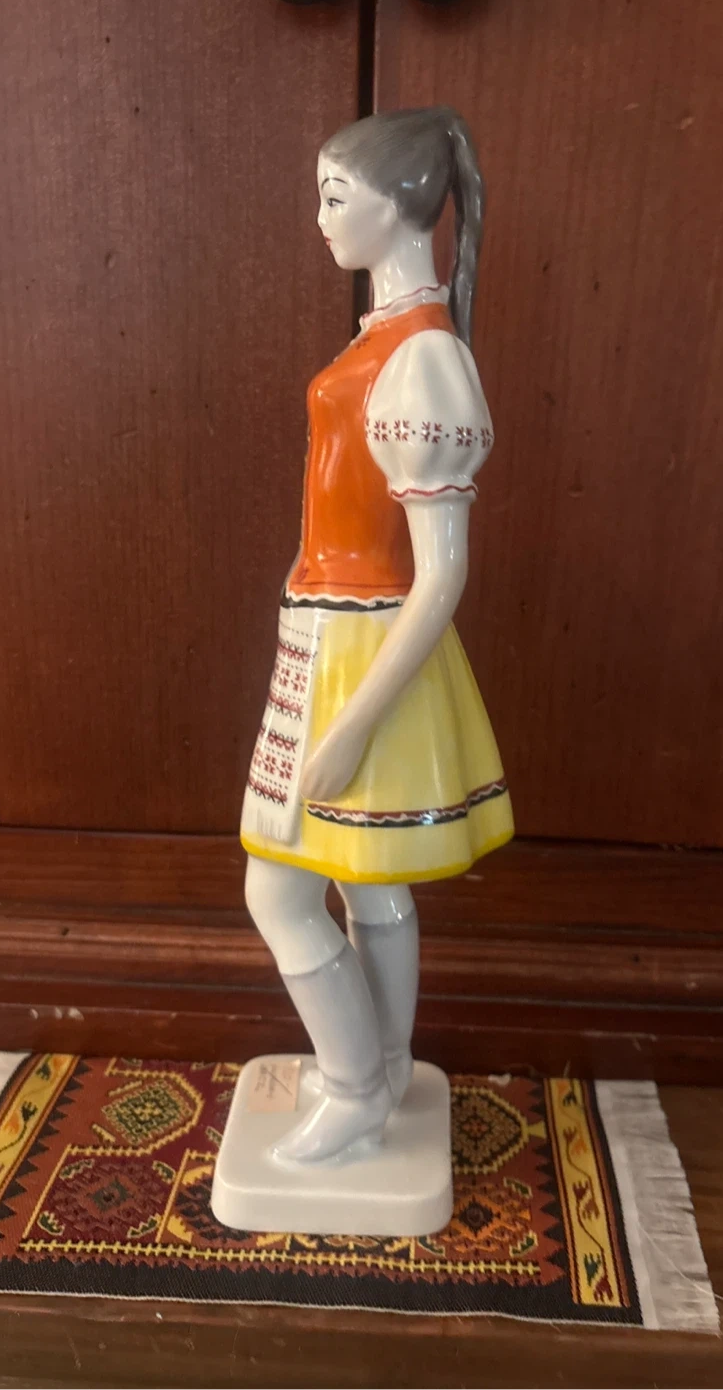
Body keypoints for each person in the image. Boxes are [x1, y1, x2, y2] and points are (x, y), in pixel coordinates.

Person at [239, 106, 514, 1162]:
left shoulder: (421, 358)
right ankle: (382, 1069)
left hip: (365, 648)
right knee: (365, 876)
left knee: (280, 887)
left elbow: (443, 572)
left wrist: (352, 723)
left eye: (334, 197)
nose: (319, 219)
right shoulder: (390, 343)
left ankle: (358, 1087)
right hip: (332, 630)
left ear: (401, 205)